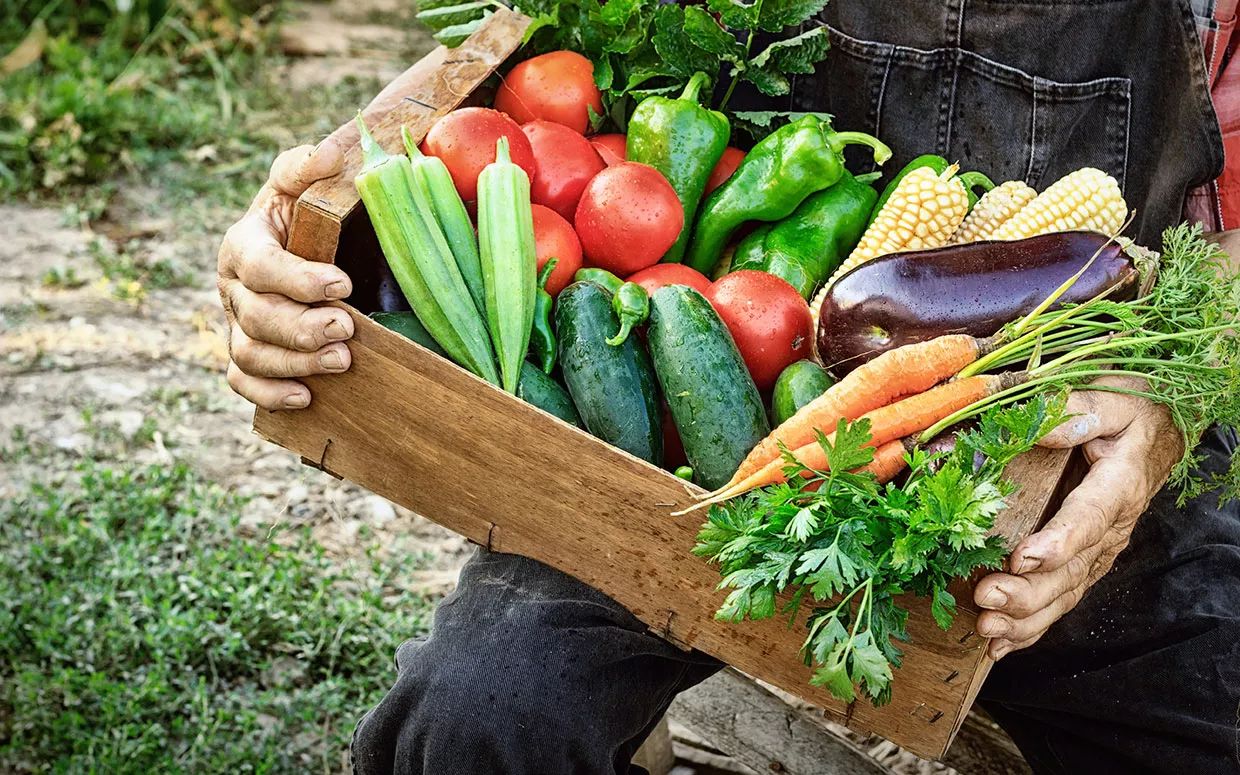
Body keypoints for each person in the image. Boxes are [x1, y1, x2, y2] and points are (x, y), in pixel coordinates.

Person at [216, 1, 1240, 772]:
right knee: (477, 720)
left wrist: (1164, 403)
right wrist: (306, 209)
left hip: (1086, 460)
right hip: (705, 456)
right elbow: (509, 66)